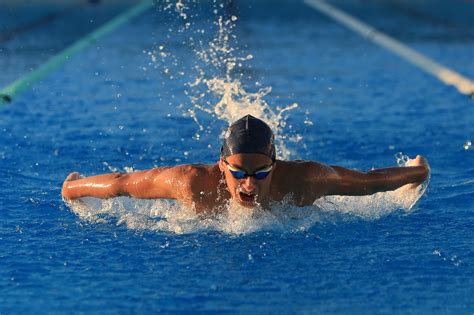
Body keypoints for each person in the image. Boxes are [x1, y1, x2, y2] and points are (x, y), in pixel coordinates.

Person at [62, 115, 430, 214]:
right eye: (237, 173)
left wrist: (417, 173)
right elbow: (122, 183)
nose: (248, 185)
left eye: (260, 173)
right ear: (221, 164)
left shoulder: (304, 180)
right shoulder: (190, 183)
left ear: (276, 163)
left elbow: (369, 182)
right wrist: (74, 187)